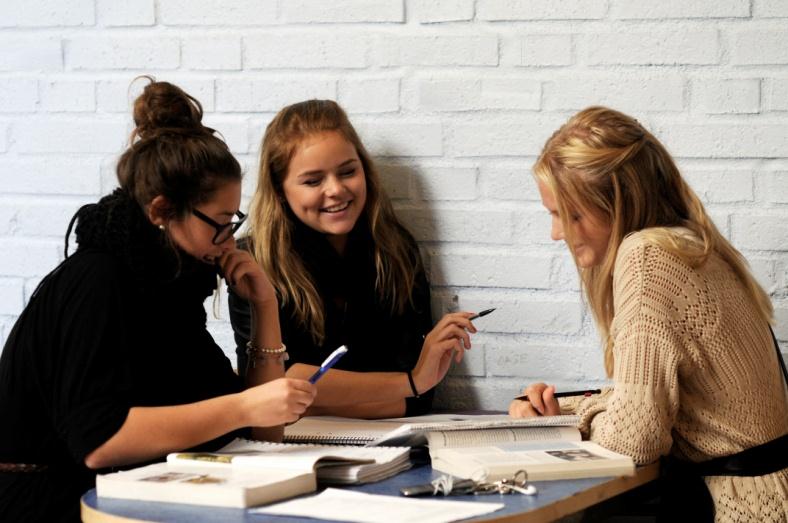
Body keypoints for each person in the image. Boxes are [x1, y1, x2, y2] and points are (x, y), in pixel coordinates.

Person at [0, 79, 315, 522]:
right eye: (221, 223)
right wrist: (243, 406)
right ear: (161, 212)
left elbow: (262, 432)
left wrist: (265, 306)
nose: (230, 241)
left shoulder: (174, 289)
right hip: (50, 502)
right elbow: (98, 441)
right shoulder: (98, 279)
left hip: (129, 493)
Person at [509, 106, 788, 522]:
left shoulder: (647, 258)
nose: (557, 233)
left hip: (740, 509)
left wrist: (572, 421)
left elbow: (633, 440)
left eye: (570, 215)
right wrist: (561, 411)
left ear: (616, 205)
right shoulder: (692, 246)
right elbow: (650, 405)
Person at [229, 99, 476, 419]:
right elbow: (273, 391)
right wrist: (407, 383)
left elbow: (419, 398)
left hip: (391, 443)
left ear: (364, 170)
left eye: (348, 172)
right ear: (280, 190)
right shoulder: (253, 260)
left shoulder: (395, 250)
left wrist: (409, 386)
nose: (335, 190)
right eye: (313, 181)